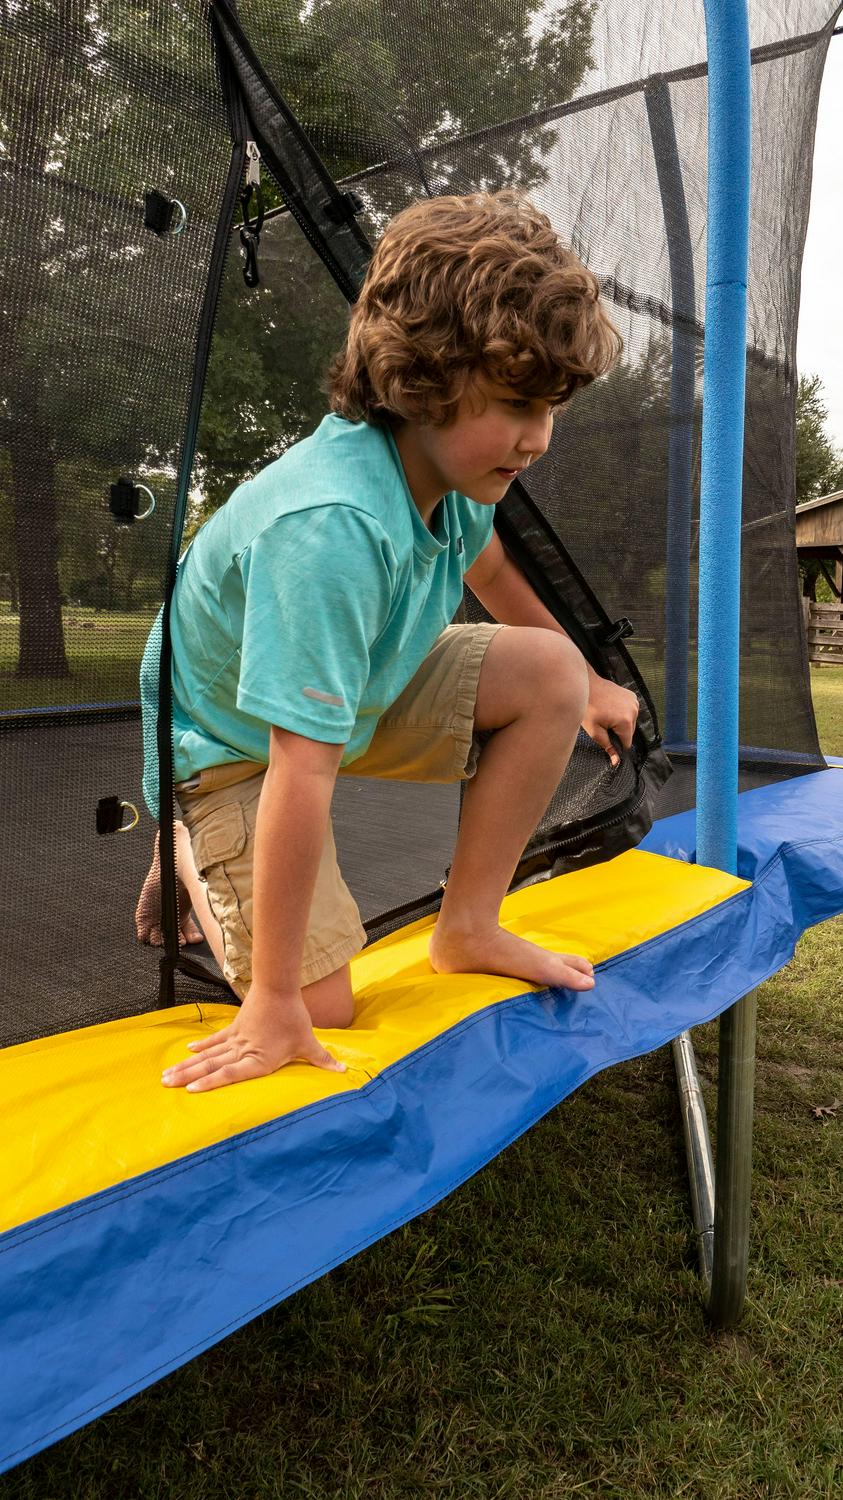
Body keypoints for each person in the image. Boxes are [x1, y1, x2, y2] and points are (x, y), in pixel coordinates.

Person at [139, 190, 639, 1095]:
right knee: (316, 1006)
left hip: (363, 684)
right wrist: (275, 1001)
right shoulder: (330, 528)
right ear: (424, 376)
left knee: (552, 669)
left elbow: (489, 571)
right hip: (229, 749)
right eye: (518, 403)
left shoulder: (451, 477)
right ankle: (185, 845)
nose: (537, 439)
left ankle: (469, 924)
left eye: (552, 405)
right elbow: (301, 767)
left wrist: (595, 685)